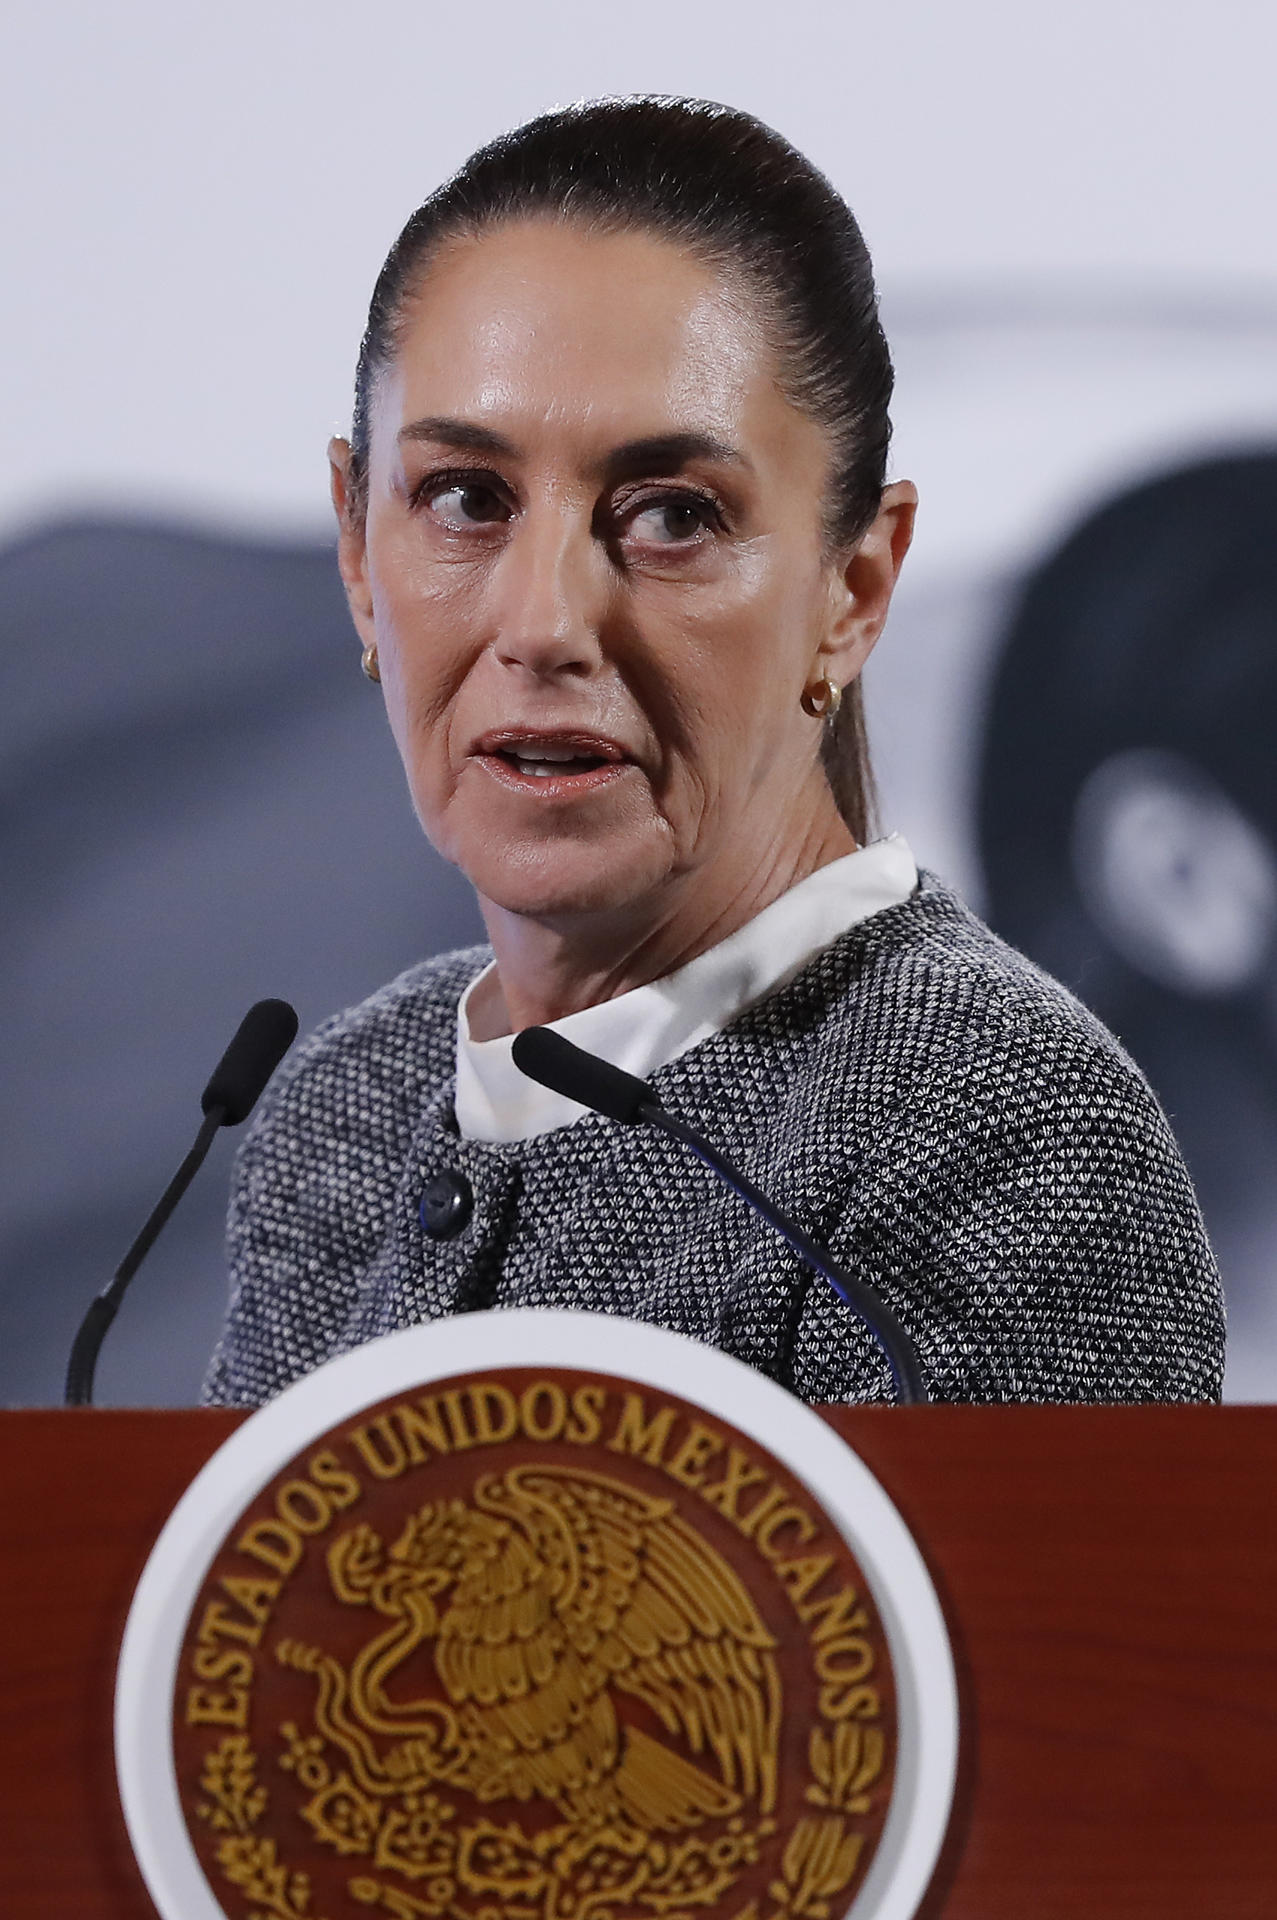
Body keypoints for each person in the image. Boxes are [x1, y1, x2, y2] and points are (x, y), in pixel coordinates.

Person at [203, 97, 1223, 1409]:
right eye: (464, 499)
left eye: (671, 514)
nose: (544, 623)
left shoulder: (1007, 1137)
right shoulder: (350, 1101)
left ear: (850, 591)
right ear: (358, 556)